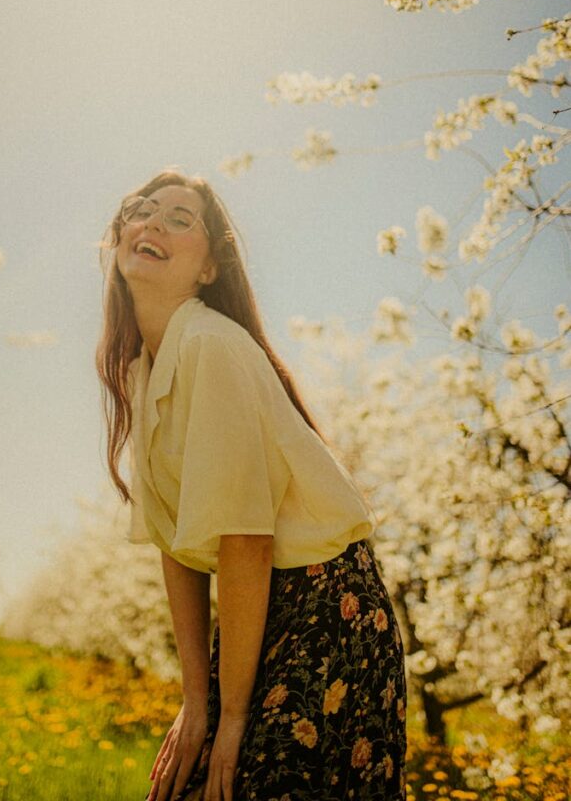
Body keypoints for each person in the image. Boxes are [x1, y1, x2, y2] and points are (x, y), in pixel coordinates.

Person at [95, 168, 407, 801]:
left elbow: (245, 539)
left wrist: (231, 717)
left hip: (328, 610)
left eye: (180, 219)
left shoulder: (212, 345)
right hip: (257, 609)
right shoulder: (142, 369)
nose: (151, 222)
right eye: (141, 210)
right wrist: (197, 701)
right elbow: (178, 546)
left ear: (210, 268)